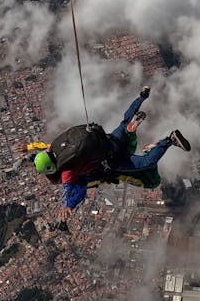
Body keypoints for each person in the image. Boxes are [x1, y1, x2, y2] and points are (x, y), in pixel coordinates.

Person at [24, 86, 190, 214]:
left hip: (112, 161)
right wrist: (28, 149)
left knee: (146, 162)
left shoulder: (67, 172)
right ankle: (141, 98)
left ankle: (169, 140)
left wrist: (69, 206)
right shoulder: (56, 148)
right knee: (125, 123)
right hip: (108, 140)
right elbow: (42, 147)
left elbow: (74, 191)